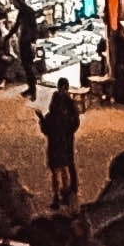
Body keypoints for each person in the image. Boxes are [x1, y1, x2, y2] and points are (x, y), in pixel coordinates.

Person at [40, 76, 83, 211]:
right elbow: (75, 122)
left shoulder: (53, 112)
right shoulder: (70, 106)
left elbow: (46, 128)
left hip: (55, 143)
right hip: (65, 141)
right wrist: (69, 132)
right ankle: (66, 192)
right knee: (65, 168)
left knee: (57, 171)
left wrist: (41, 118)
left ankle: (58, 195)